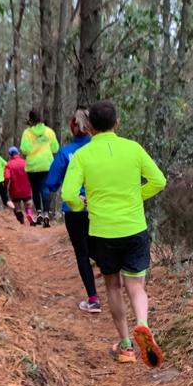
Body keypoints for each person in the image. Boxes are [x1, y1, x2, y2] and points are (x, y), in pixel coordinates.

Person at [61, 100, 166, 367]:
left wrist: (82, 205)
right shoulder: (133, 149)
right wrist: (135, 197)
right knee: (136, 286)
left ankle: (127, 346)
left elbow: (69, 195)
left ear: (91, 127)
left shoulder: (83, 156)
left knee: (113, 286)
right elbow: (159, 181)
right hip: (134, 228)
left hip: (102, 232)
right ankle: (142, 324)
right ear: (117, 123)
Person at [45, 108, 101, 313]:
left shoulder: (66, 152)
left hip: (74, 209)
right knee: (100, 246)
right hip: (100, 207)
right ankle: (118, 284)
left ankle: (93, 298)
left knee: (82, 252)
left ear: (72, 127)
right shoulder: (100, 149)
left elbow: (51, 184)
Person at [19, 109, 59, 227]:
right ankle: (47, 214)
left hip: (33, 166)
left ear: (30, 119)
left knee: (35, 190)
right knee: (45, 189)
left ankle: (39, 213)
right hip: (47, 164)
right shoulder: (49, 131)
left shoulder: (27, 133)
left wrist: (33, 148)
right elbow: (55, 148)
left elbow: (25, 149)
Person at [4, 146, 35, 225]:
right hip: (26, 188)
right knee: (28, 204)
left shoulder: (9, 164)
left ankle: (21, 221)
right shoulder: (25, 162)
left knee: (17, 207)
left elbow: (7, 177)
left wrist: (5, 185)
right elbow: (31, 173)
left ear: (10, 155)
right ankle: (29, 214)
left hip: (15, 189)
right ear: (18, 153)